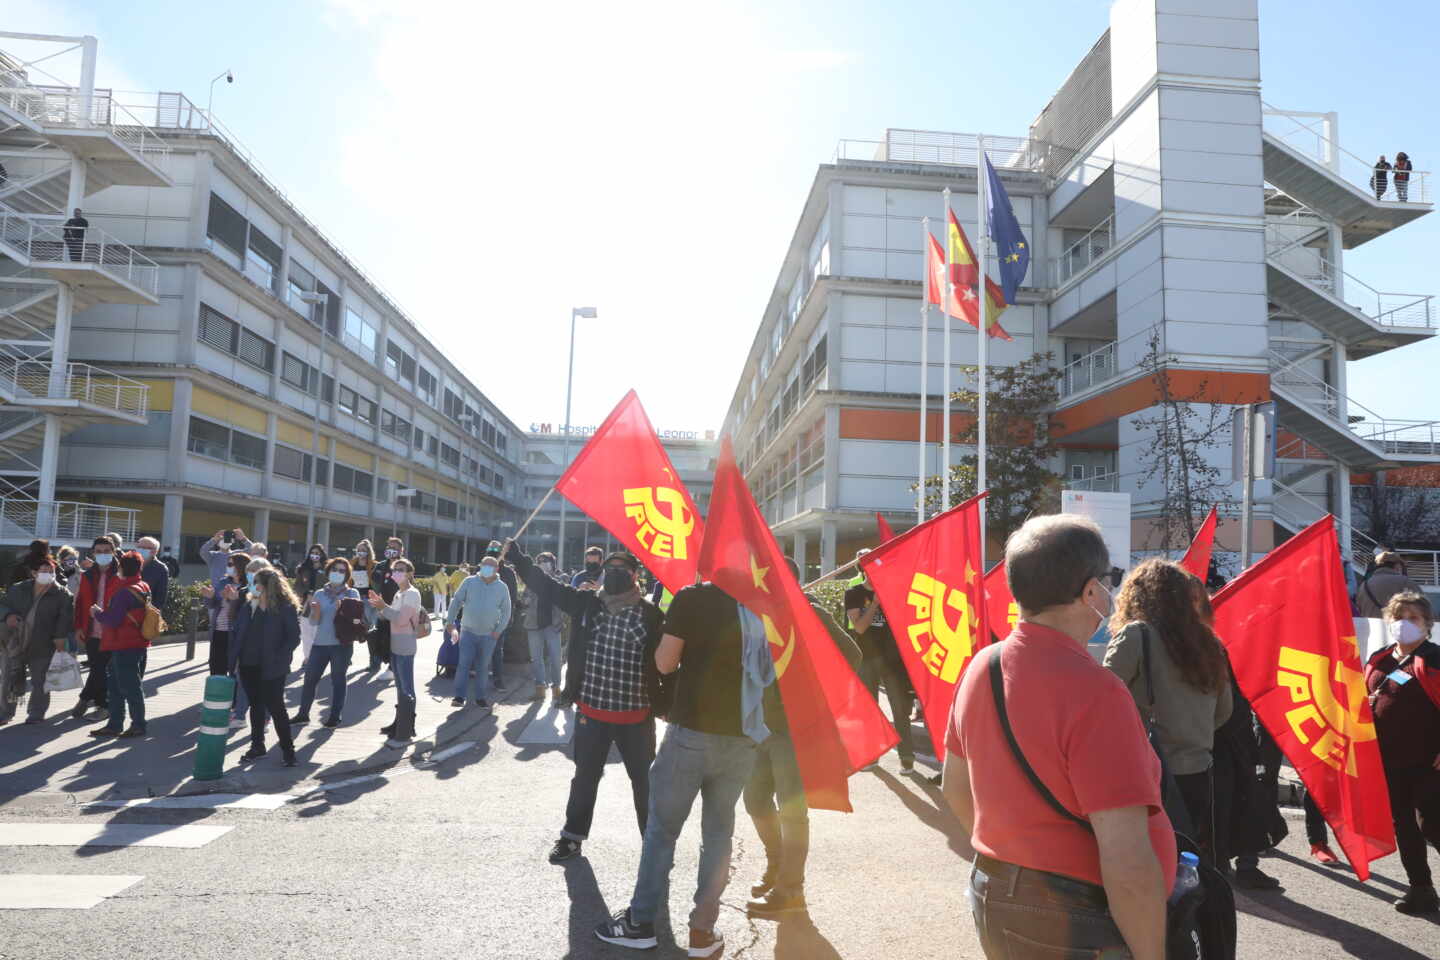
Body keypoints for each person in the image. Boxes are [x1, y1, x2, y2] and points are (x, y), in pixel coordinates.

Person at [944, 515, 1174, 960]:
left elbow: (955, 789)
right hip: (1076, 917)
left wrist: (1017, 852)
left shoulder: (982, 666)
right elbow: (1127, 860)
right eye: (1108, 582)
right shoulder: (1096, 691)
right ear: (1090, 591)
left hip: (996, 890)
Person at [594, 571, 769, 958]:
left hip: (691, 732)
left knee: (662, 831)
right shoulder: (761, 599)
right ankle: (702, 933)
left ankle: (640, 923)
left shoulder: (693, 598)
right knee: (719, 834)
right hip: (743, 735)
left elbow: (664, 663)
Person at [510, 546, 666, 865]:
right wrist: (517, 558)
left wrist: (667, 704)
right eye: (611, 568)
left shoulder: (651, 616)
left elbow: (667, 666)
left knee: (645, 782)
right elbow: (546, 586)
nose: (615, 573)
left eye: (623, 568)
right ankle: (572, 837)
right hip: (592, 713)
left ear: (636, 575)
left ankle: (654, 845)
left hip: (636, 717)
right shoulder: (587, 604)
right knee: (584, 778)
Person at [743, 557, 862, 918]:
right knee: (755, 801)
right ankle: (776, 864)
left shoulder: (811, 614)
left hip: (796, 729)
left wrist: (813, 689)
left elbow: (851, 657)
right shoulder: (753, 616)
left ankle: (791, 888)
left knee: (793, 810)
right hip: (759, 727)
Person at [1104, 559, 1232, 861]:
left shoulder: (1137, 635)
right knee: (1183, 861)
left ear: (1137, 596)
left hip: (1145, 772)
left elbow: (1100, 699)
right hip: (1199, 772)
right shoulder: (1210, 643)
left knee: (1141, 862)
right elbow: (1223, 711)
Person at [1365, 591, 1440, 915]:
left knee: (1433, 826)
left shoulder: (1435, 658)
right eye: (1398, 618)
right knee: (1404, 827)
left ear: (1427, 624)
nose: (1404, 624)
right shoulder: (1380, 659)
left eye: (1413, 618)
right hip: (1389, 761)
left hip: (1430, 761)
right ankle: (1421, 889)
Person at [845, 548, 916, 773]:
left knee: (900, 709)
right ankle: (873, 756)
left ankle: (907, 758)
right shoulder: (853, 593)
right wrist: (875, 603)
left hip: (892, 660)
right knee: (870, 710)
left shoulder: (892, 590)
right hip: (866, 659)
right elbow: (859, 626)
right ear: (863, 568)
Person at [231, 567, 300, 765]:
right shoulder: (249, 605)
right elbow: (238, 631)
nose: (253, 585)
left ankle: (288, 751)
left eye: (256, 582)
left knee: (276, 708)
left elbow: (293, 638)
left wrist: (279, 658)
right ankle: (257, 746)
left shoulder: (284, 607)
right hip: (248, 663)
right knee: (256, 706)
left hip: (273, 667)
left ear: (266, 586)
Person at [0, 553, 74, 724]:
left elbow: (64, 618)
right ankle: (6, 712)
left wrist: (60, 638)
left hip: (44, 643)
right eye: (44, 570)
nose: (48, 574)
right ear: (34, 573)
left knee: (40, 680)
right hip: (15, 642)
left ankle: (36, 713)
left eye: (51, 571)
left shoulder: (62, 594)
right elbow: (2, 605)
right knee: (10, 678)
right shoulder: (18, 589)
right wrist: (8, 615)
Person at [87, 551, 152, 739]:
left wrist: (97, 613)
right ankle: (115, 724)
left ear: (121, 568)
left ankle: (137, 724)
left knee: (129, 687)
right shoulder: (143, 586)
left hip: (124, 644)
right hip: (136, 642)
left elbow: (114, 620)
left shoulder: (124, 591)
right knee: (116, 686)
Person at [291, 556, 360, 728]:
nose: (337, 573)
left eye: (342, 571)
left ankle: (335, 716)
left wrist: (342, 611)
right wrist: (316, 612)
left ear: (347, 575)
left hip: (341, 645)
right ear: (328, 572)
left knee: (338, 680)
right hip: (320, 644)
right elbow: (314, 622)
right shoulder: (320, 594)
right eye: (334, 570)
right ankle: (303, 714)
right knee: (310, 679)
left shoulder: (352, 593)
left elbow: (357, 620)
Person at [445, 552, 512, 713]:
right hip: (468, 631)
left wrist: (498, 631)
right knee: (464, 664)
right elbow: (456, 601)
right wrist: (449, 622)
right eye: (484, 565)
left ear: (496, 569)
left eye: (490, 566)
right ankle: (459, 697)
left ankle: (480, 698)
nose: (486, 568)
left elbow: (506, 611)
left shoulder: (502, 587)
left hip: (489, 635)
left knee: (483, 667)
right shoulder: (469, 582)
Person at [370, 556, 423, 743]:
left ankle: (408, 726)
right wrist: (380, 608)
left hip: (406, 646)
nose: (397, 573)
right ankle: (399, 723)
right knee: (400, 688)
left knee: (407, 688)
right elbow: (391, 616)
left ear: (410, 573)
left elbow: (400, 620)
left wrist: (383, 607)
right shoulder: (399, 593)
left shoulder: (412, 593)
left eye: (401, 569)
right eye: (395, 570)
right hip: (395, 645)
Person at [70, 536, 119, 720]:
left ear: (113, 552)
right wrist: (79, 627)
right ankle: (91, 700)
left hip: (113, 628)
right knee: (97, 667)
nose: (103, 555)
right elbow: (80, 603)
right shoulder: (88, 575)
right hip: (91, 629)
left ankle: (99, 704)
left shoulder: (121, 573)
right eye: (99, 551)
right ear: (93, 553)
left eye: (107, 551)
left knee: (101, 668)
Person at [524, 551, 564, 701]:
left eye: (546, 561)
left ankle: (556, 688)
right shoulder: (532, 580)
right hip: (533, 624)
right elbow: (525, 598)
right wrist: (526, 600)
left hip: (553, 625)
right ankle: (540, 688)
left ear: (552, 564)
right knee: (536, 658)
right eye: (540, 562)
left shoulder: (560, 579)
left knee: (555, 657)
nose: (543, 564)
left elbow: (564, 600)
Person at [482, 540, 518, 687]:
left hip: (498, 618)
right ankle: (484, 678)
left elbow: (513, 597)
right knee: (484, 649)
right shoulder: (481, 571)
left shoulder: (508, 572)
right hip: (481, 617)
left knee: (496, 649)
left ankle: (497, 679)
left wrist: (508, 617)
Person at [368, 537, 405, 681]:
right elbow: (374, 583)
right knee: (380, 638)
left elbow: (402, 587)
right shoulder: (381, 566)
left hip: (395, 608)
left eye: (395, 547)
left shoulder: (400, 567)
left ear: (401, 550)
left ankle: (392, 668)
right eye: (389, 546)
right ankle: (387, 664)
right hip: (381, 607)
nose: (391, 550)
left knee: (394, 639)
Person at [1356, 550, 1423, 618]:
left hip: (1372, 628)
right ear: (1397, 566)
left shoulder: (1363, 586)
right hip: (1397, 628)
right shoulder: (1406, 582)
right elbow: (1424, 610)